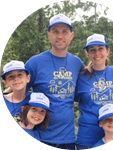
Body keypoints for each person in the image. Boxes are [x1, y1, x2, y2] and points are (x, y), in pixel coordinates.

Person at [25, 14, 84, 150]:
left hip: (68, 138)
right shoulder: (35, 63)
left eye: (65, 31)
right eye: (55, 31)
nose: (60, 36)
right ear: (48, 35)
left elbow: (81, 93)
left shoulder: (77, 64)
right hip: (39, 136)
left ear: (71, 35)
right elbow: (18, 92)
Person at [75, 33, 113, 149]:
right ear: (87, 54)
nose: (97, 53)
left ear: (107, 51)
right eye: (92, 50)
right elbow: (70, 103)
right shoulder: (81, 77)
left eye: (101, 49)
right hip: (88, 138)